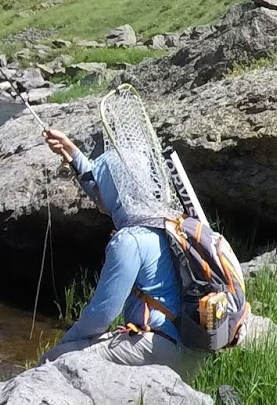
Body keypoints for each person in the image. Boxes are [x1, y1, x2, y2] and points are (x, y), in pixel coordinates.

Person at [39, 125, 207, 381]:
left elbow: (102, 316)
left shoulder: (129, 240)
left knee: (52, 362)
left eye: (102, 185)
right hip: (188, 348)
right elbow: (106, 185)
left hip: (161, 347)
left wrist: (65, 344)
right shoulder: (168, 220)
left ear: (114, 190)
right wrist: (71, 152)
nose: (95, 192)